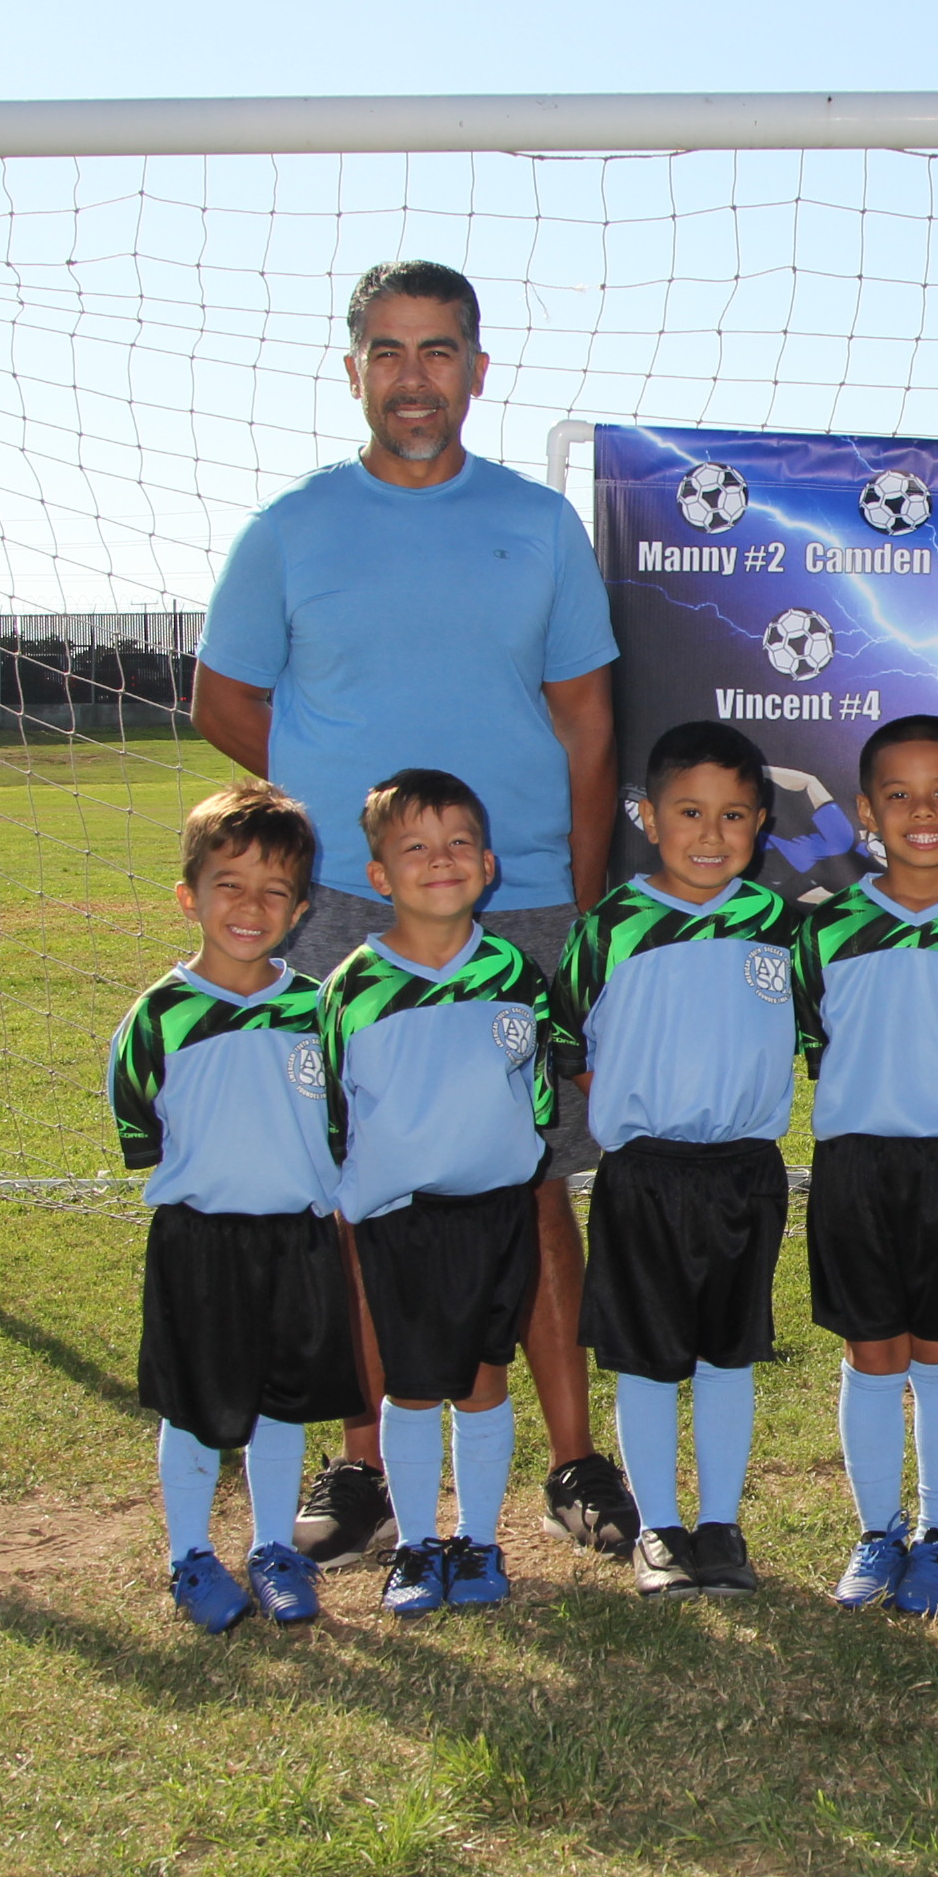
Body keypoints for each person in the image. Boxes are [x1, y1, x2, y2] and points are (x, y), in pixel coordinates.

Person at [193, 259, 636, 1572]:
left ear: (477, 371)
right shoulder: (290, 531)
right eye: (387, 351)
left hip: (525, 897)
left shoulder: (539, 526)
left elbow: (588, 721)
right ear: (353, 372)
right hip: (346, 903)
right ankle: (365, 1465)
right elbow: (223, 702)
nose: (413, 378)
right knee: (358, 1190)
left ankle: (574, 1458)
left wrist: (582, 899)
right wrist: (344, 817)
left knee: (536, 1183)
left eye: (438, 350)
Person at [788, 714, 938, 1617]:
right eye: (899, 794)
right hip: (857, 1170)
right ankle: (876, 1531)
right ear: (865, 811)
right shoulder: (826, 931)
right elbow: (817, 1042)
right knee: (872, 1352)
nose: (921, 812)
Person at [547, 721, 798, 1601]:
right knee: (648, 1357)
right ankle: (657, 1527)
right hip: (645, 1174)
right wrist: (638, 1098)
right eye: (689, 812)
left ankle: (720, 1526)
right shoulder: (609, 928)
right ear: (648, 818)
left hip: (746, 1171)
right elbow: (569, 1042)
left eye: (733, 815)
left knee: (730, 1354)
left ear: (760, 823)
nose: (710, 833)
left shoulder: (779, 927)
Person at [107, 780, 365, 1632]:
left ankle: (273, 1549)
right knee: (197, 1407)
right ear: (190, 896)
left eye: (274, 891)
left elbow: (342, 1117)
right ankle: (189, 1558)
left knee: (281, 1403)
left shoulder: (317, 1010)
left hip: (297, 1240)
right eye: (229, 885)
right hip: (200, 1245)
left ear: (300, 909)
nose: (250, 907)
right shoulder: (157, 1018)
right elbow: (140, 1122)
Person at [318, 769, 555, 1617]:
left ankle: (478, 1543)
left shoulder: (514, 973)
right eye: (414, 847)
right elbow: (335, 1108)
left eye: (459, 842)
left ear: (488, 865)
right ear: (379, 875)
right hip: (402, 1221)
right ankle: (417, 1546)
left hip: (496, 1213)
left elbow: (534, 1092)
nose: (440, 859)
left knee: (485, 1377)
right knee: (413, 1386)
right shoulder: (351, 988)